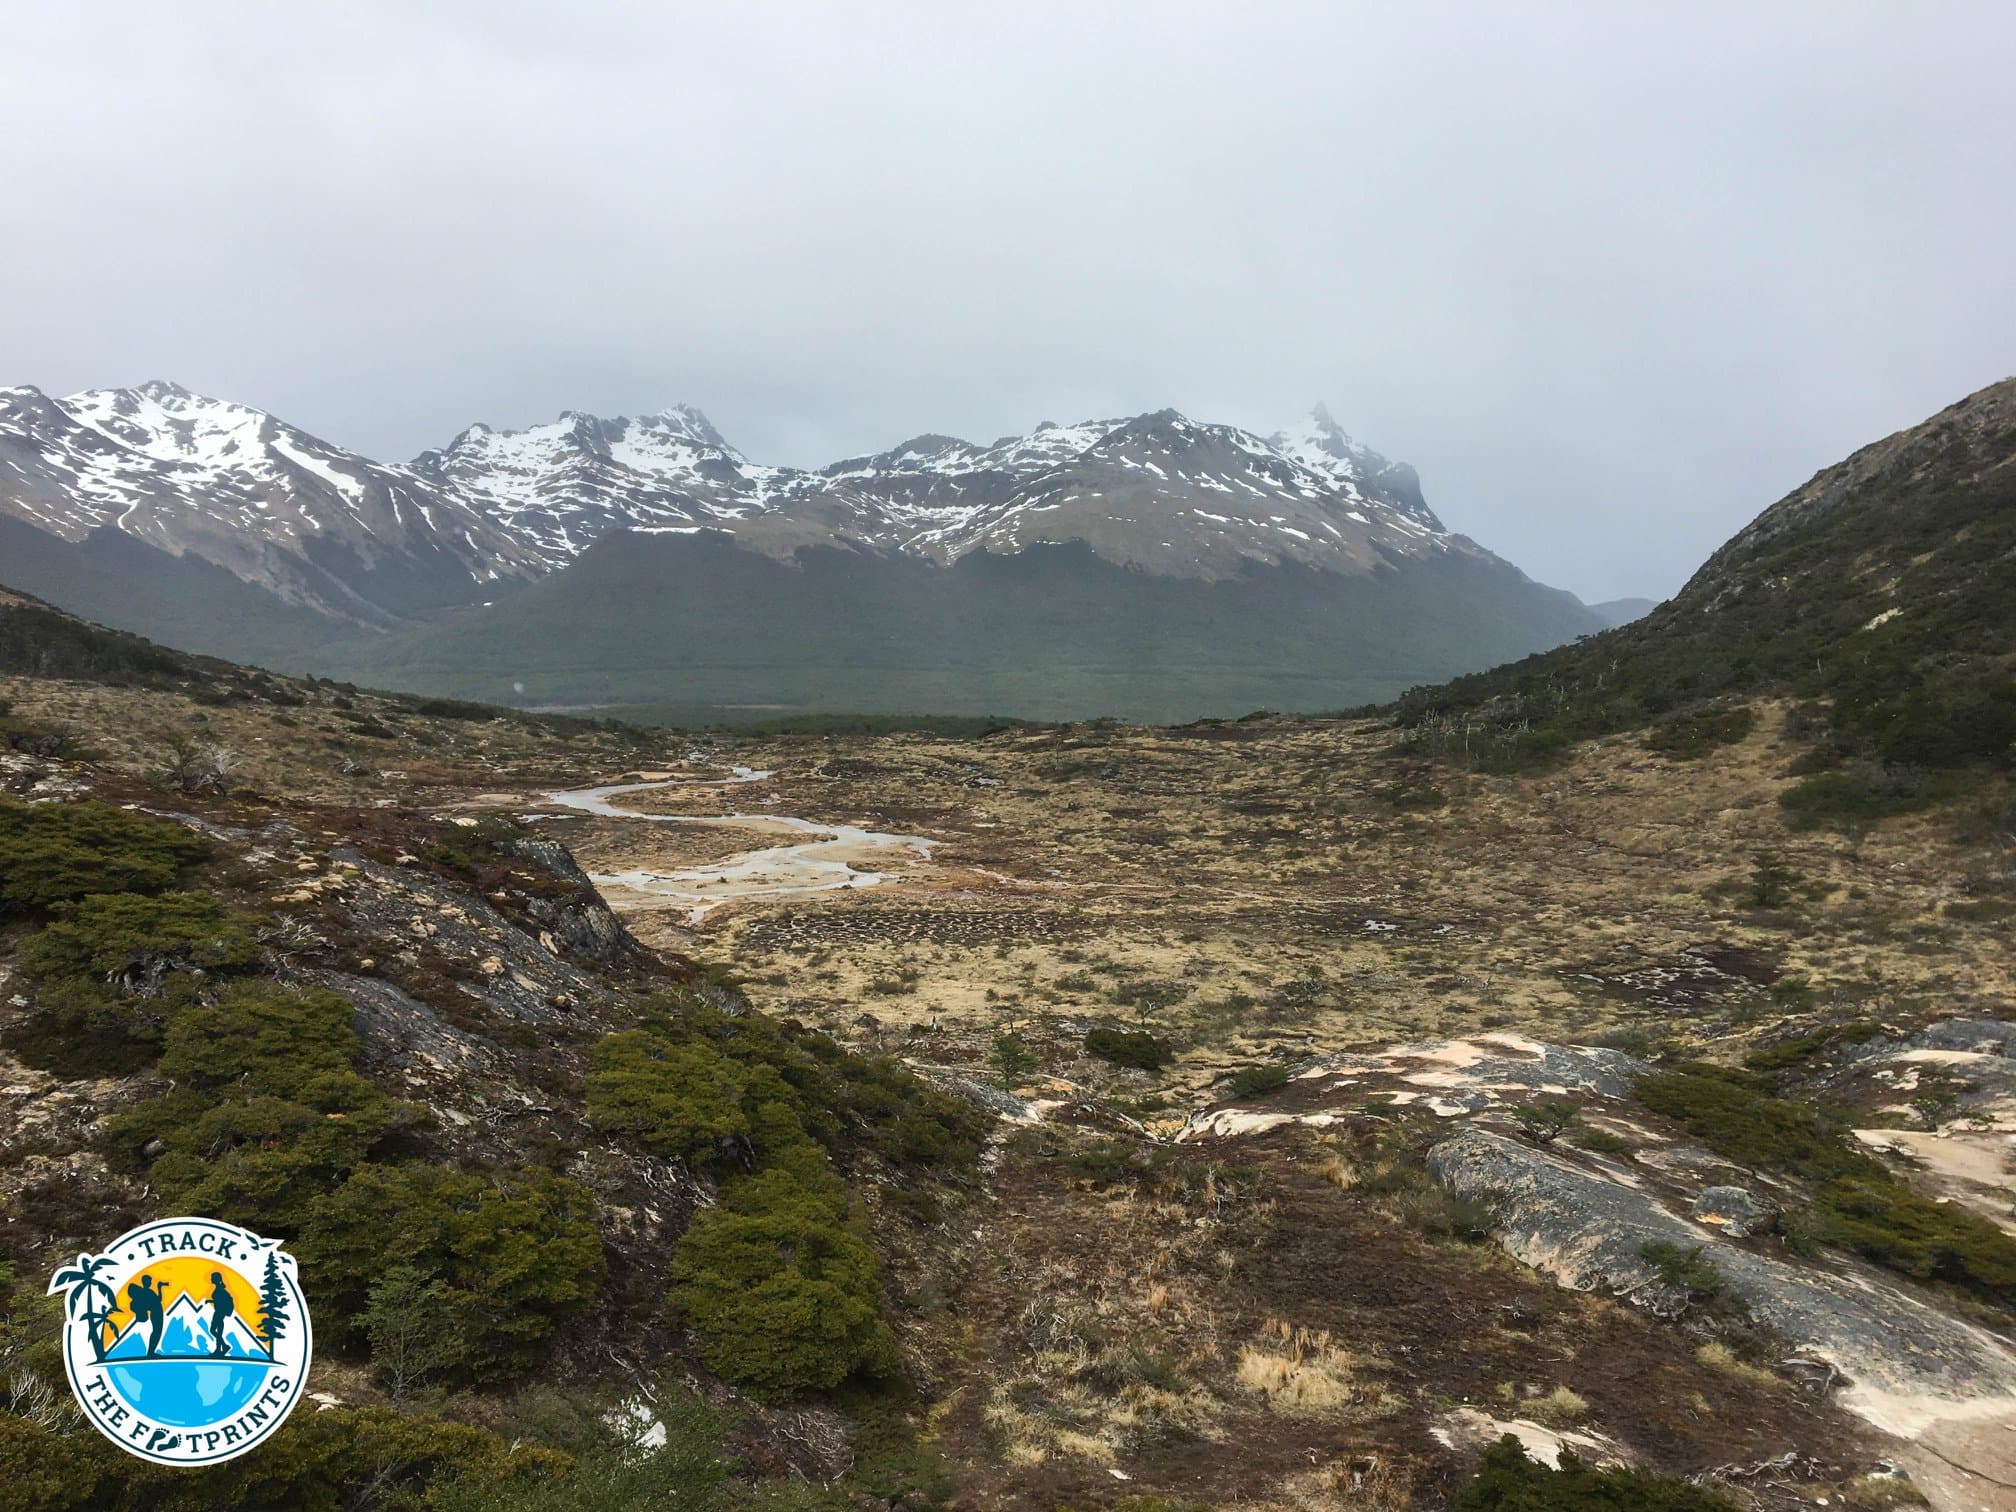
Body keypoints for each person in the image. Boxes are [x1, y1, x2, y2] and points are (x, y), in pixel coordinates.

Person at [127, 1276, 164, 1356]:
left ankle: (150, 1352)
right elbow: (158, 1300)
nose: (150, 1283)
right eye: (149, 1281)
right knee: (156, 1332)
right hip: (156, 1313)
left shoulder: (145, 1292)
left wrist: (159, 1288)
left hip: (156, 1313)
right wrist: (159, 1288)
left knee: (156, 1332)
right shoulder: (147, 1292)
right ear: (146, 1282)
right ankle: (150, 1353)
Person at [207, 1273, 235, 1357]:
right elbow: (219, 1300)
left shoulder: (219, 1289)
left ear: (216, 1279)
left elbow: (220, 1301)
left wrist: (212, 1301)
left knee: (213, 1330)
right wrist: (210, 1301)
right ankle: (221, 1348)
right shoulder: (219, 1288)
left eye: (212, 1277)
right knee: (217, 1332)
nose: (211, 1279)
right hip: (219, 1312)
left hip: (219, 1312)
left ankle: (221, 1348)